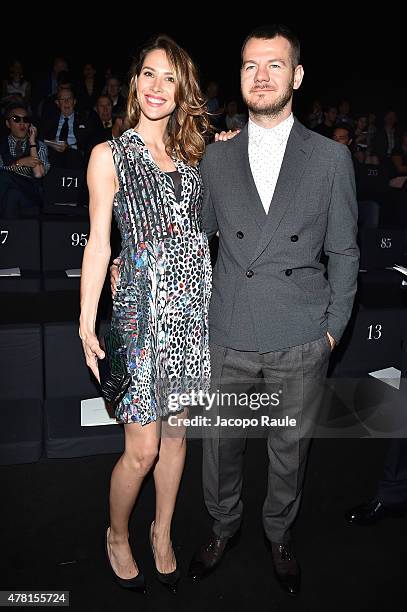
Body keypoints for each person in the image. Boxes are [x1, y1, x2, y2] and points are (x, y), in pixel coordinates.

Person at [111, 24, 359, 596]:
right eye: (250, 66)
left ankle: (279, 534)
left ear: (296, 76)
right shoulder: (215, 159)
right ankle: (222, 528)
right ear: (241, 77)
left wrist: (332, 333)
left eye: (275, 65)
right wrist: (131, 258)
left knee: (287, 452)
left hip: (300, 334)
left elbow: (345, 251)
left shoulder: (330, 159)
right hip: (226, 331)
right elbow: (187, 239)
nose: (262, 75)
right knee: (219, 450)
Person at [79, 35, 212, 593]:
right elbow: (99, 245)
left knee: (177, 436)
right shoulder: (108, 155)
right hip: (138, 318)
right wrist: (87, 321)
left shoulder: (197, 157)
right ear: (135, 83)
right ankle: (116, 533)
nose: (158, 87)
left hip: (189, 316)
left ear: (183, 90)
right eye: (149, 75)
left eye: (170, 78)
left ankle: (161, 532)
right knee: (142, 448)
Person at [0, 103, 49, 218]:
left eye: (25, 119)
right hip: (10, 192)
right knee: (12, 194)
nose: (22, 123)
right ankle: (9, 234)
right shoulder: (1, 145)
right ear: (8, 123)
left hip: (31, 194)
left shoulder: (39, 146)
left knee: (4, 176)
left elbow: (38, 174)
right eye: (16, 119)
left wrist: (32, 143)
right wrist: (20, 163)